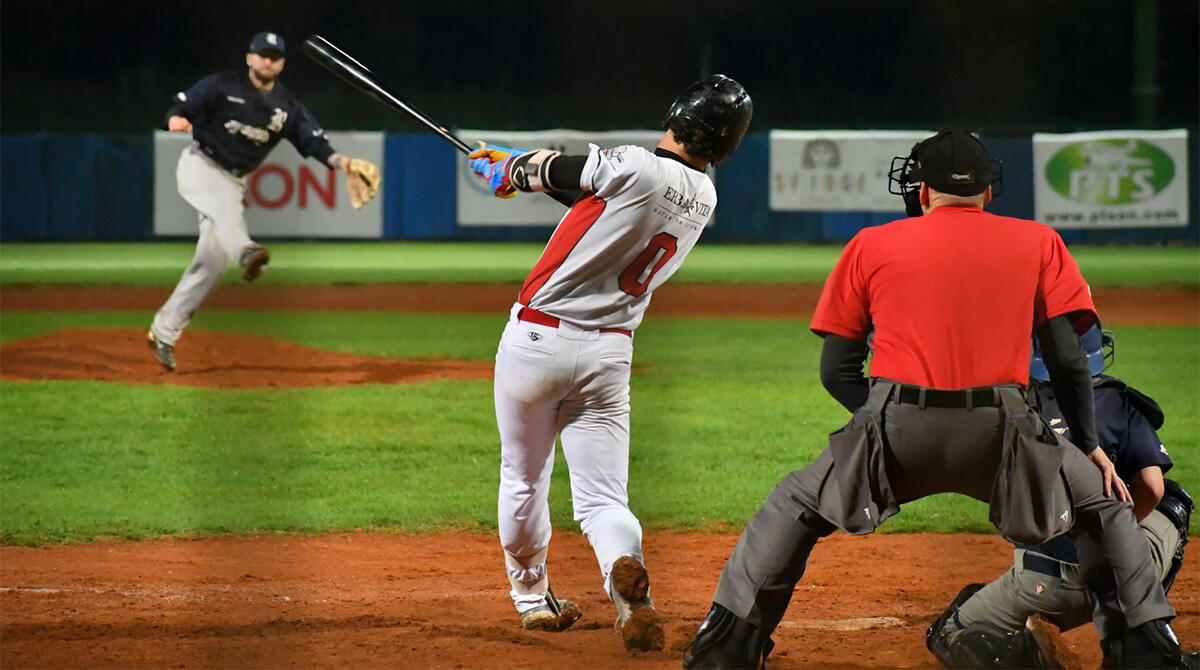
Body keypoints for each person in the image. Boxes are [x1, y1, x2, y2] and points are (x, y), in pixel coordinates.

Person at [681, 128, 1194, 669]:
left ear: (922, 192)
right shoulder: (1039, 241)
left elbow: (835, 370)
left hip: (896, 422)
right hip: (1007, 432)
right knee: (1103, 511)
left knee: (794, 506)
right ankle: (1143, 653)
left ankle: (726, 651)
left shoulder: (869, 244)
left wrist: (882, 418)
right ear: (988, 193)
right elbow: (1068, 362)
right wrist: (1087, 446)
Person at [465, 75, 752, 651]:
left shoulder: (636, 165)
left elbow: (551, 169)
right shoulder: (704, 196)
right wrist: (521, 171)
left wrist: (507, 169)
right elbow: (600, 205)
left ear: (676, 116)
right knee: (602, 499)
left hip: (537, 342)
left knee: (523, 477)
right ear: (727, 146)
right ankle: (628, 585)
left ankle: (531, 598)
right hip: (608, 353)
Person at [926, 326, 1195, 669]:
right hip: (1128, 574)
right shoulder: (1118, 401)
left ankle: (1033, 659)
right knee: (1172, 504)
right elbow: (1153, 487)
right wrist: (1120, 535)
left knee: (951, 635)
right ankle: (1143, 634)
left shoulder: (1014, 411)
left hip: (1046, 584)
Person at [147, 31, 377, 371]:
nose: (268, 60)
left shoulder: (286, 107)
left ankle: (162, 332)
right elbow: (182, 105)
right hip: (200, 165)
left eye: (275, 56)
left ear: (282, 63)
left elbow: (313, 142)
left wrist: (343, 164)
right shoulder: (222, 86)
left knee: (212, 261)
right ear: (249, 58)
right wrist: (174, 119)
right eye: (262, 54)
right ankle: (248, 251)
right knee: (226, 216)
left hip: (234, 181)